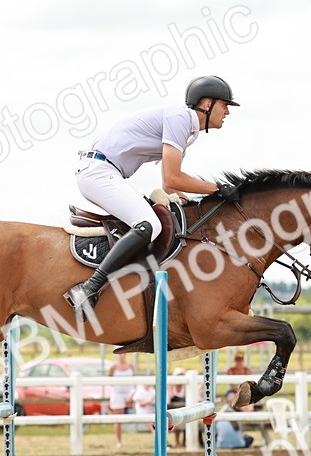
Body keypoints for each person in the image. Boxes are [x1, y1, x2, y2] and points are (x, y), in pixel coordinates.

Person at [64, 76, 241, 318]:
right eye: (225, 105)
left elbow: (169, 187)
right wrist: (218, 188)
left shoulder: (187, 130)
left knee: (155, 220)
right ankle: (88, 288)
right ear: (207, 104)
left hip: (105, 171)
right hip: (99, 172)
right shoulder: (180, 119)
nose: (228, 112)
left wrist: (197, 202)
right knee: (148, 224)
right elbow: (173, 177)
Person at [107, 353, 136, 448]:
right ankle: (119, 441)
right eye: (120, 354)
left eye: (123, 353)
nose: (122, 355)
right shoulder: (113, 367)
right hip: (118, 393)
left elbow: (134, 379)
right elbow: (109, 380)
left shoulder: (131, 365)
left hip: (130, 392)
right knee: (118, 418)